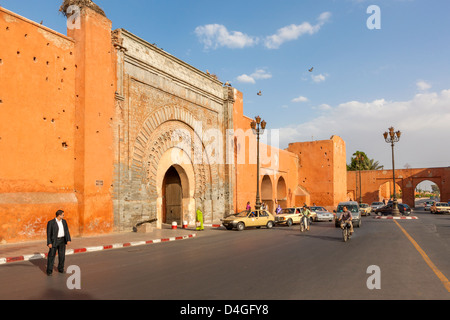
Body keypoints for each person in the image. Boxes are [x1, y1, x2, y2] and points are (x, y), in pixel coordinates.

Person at [46, 209, 71, 276]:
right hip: (54, 241)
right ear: (59, 215)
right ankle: (49, 271)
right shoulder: (51, 222)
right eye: (63, 214)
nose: (63, 216)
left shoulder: (64, 222)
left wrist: (68, 239)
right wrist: (49, 242)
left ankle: (60, 269)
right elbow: (48, 234)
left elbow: (66, 231)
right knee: (51, 256)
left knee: (62, 255)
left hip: (62, 241)